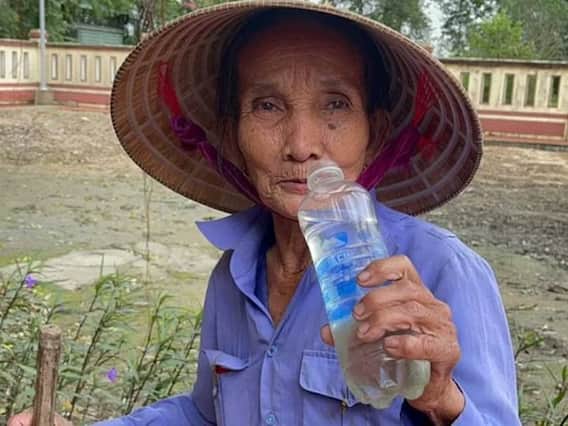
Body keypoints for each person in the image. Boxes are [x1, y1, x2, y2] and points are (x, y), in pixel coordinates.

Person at [9, 1, 521, 425]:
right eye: (268, 106)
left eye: (336, 104)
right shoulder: (234, 275)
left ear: (376, 132)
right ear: (231, 134)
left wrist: (442, 399)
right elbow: (204, 414)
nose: (301, 145)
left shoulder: (441, 271)